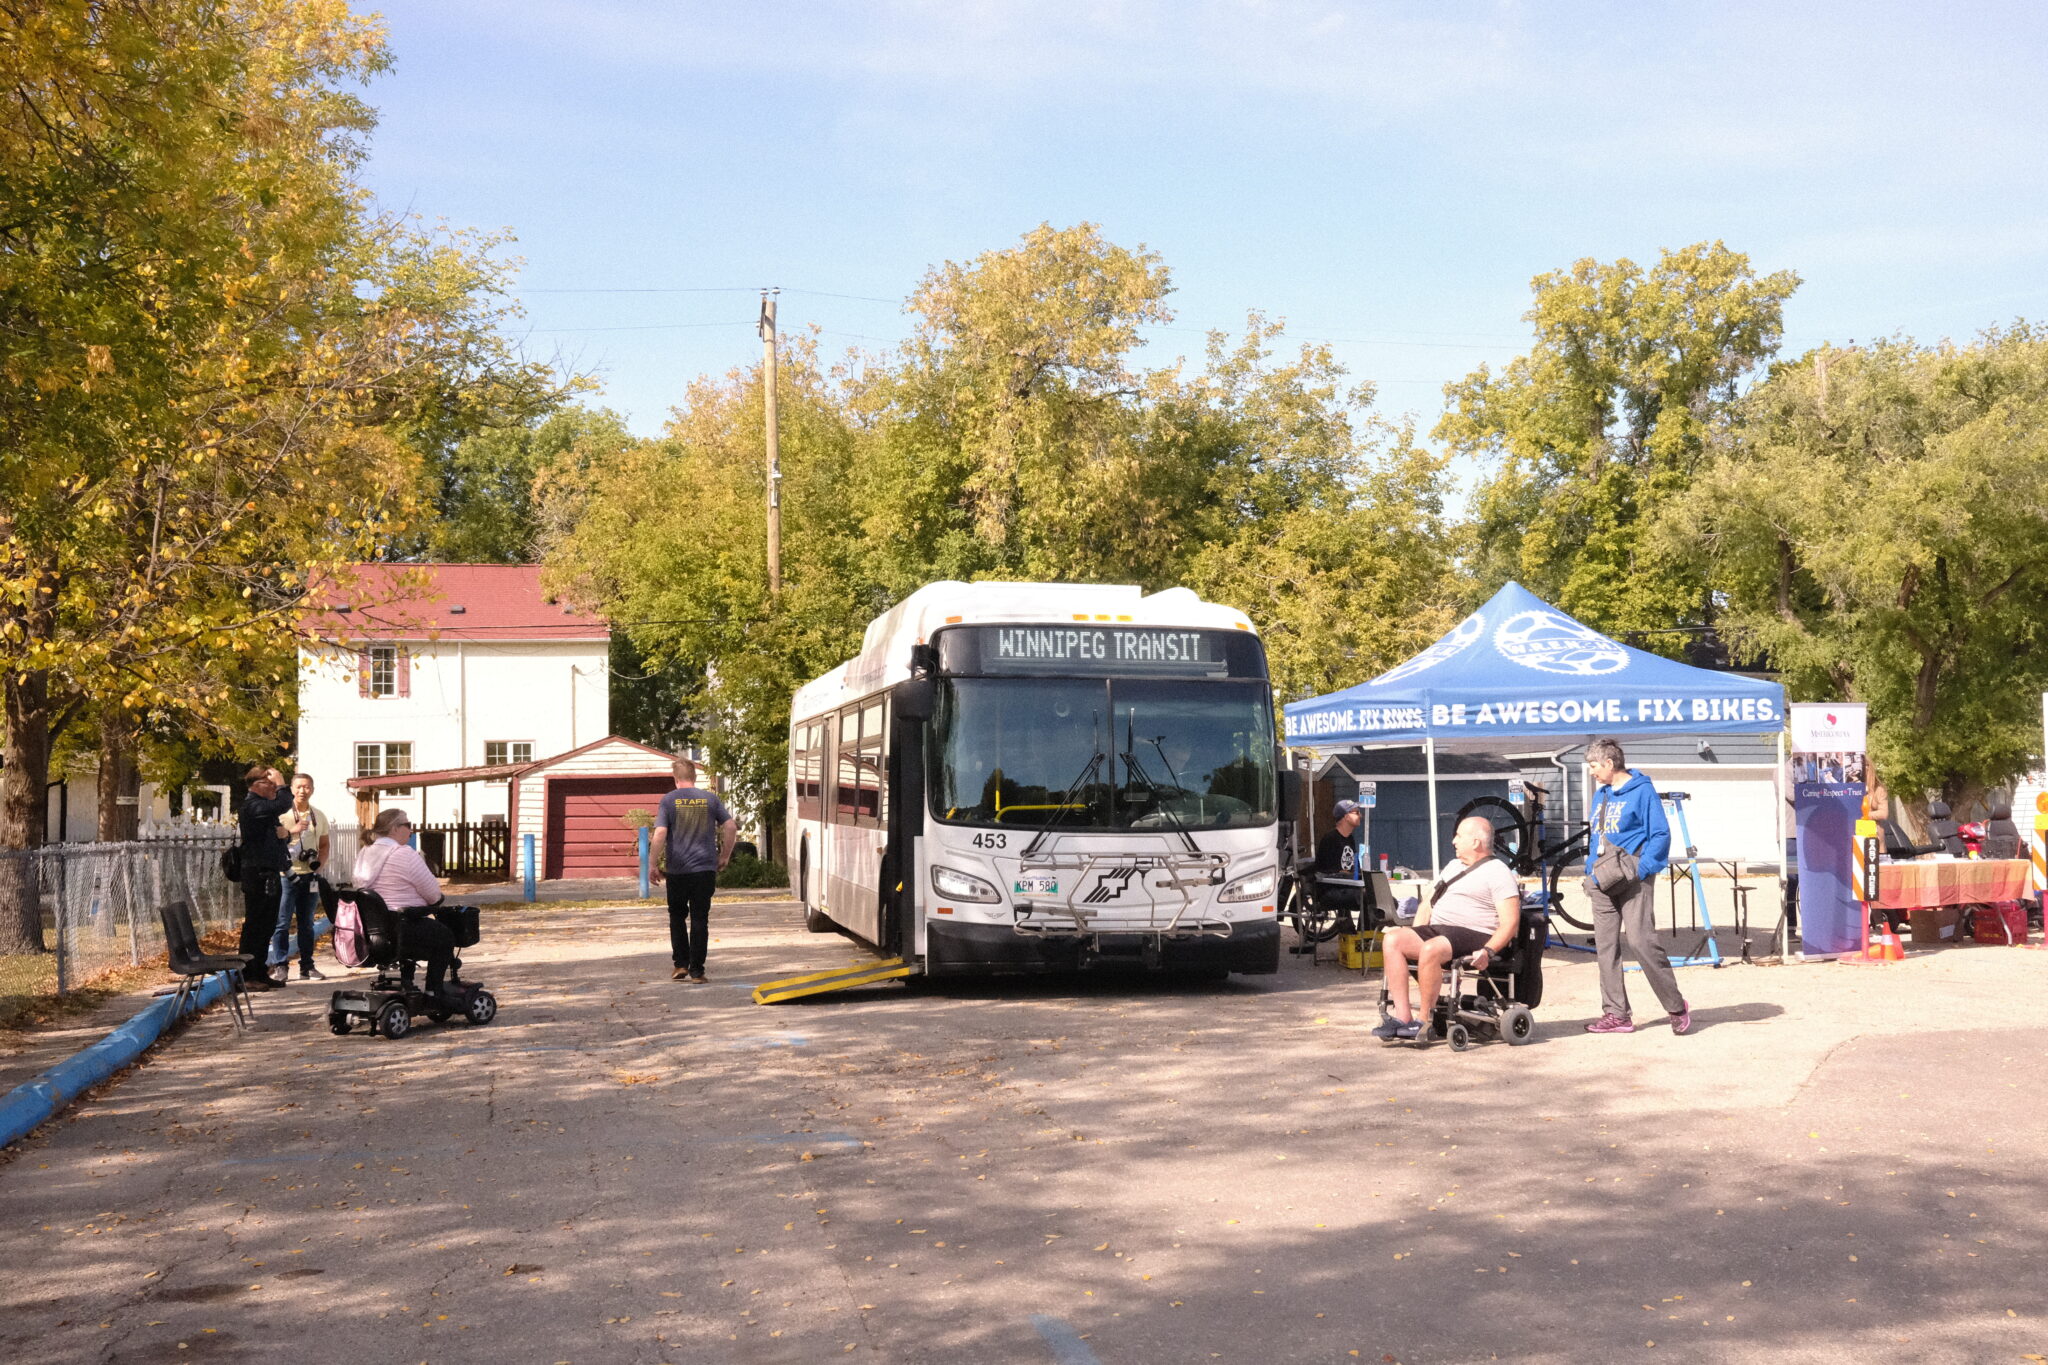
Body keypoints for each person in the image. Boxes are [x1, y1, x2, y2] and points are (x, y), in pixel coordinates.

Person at [1375, 815, 1520, 1043]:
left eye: (1459, 836)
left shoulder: (1498, 872)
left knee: (1431, 948)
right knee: (1393, 939)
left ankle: (1424, 1022)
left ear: (1475, 842)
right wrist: (1415, 933)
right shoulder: (1453, 866)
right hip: (1441, 930)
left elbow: (1511, 922)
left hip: (1476, 933)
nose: (1453, 841)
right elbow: (1428, 903)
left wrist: (1489, 950)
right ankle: (1403, 1018)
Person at [1584, 738, 1689, 1035]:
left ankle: (1676, 1006)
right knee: (1606, 948)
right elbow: (1597, 837)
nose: (1591, 772)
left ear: (1609, 763)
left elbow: (1660, 835)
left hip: (1634, 880)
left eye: (1593, 766)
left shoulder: (1643, 791)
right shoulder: (1601, 795)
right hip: (1602, 881)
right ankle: (1616, 1014)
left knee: (1641, 941)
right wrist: (1591, 872)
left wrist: (1642, 870)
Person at [353, 809, 462, 1003]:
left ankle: (407, 981)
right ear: (395, 828)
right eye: (408, 825)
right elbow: (433, 894)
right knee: (444, 936)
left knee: (418, 931)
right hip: (401, 925)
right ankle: (434, 991)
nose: (411, 830)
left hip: (370, 930)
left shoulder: (365, 853)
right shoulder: (404, 854)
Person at [651, 758, 736, 983]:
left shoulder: (669, 800)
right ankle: (697, 971)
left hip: (677, 870)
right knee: (700, 918)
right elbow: (730, 826)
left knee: (677, 916)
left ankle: (680, 965)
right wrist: (725, 855)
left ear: (675, 779)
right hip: (704, 869)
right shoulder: (710, 798)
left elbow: (660, 833)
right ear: (695, 777)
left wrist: (651, 864)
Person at [234, 766, 294, 989]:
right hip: (257, 873)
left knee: (267, 924)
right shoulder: (253, 805)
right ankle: (247, 976)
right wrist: (282, 783)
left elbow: (275, 839)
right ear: (257, 785)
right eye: (270, 784)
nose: (274, 789)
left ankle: (259, 972)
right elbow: (283, 803)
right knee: (255, 925)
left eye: (274, 785)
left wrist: (284, 835)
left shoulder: (264, 810)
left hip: (269, 871)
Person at [268, 772, 331, 981]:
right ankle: (281, 965)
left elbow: (324, 845)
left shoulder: (318, 815)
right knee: (282, 922)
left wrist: (318, 867)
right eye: (298, 787)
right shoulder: (283, 814)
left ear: (312, 789)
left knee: (307, 923)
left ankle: (307, 966)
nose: (302, 791)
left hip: (309, 876)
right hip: (286, 874)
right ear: (291, 789)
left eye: (306, 787)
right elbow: (274, 842)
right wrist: (292, 831)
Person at [1314, 800, 1366, 927]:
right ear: (1346, 816)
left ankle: (1361, 936)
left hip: (1347, 887)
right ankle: (1361, 938)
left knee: (1379, 898)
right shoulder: (1330, 839)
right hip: (1331, 890)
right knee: (1367, 897)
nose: (1361, 815)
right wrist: (1346, 875)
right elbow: (1327, 872)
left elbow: (1354, 866)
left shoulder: (1350, 838)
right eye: (1357, 812)